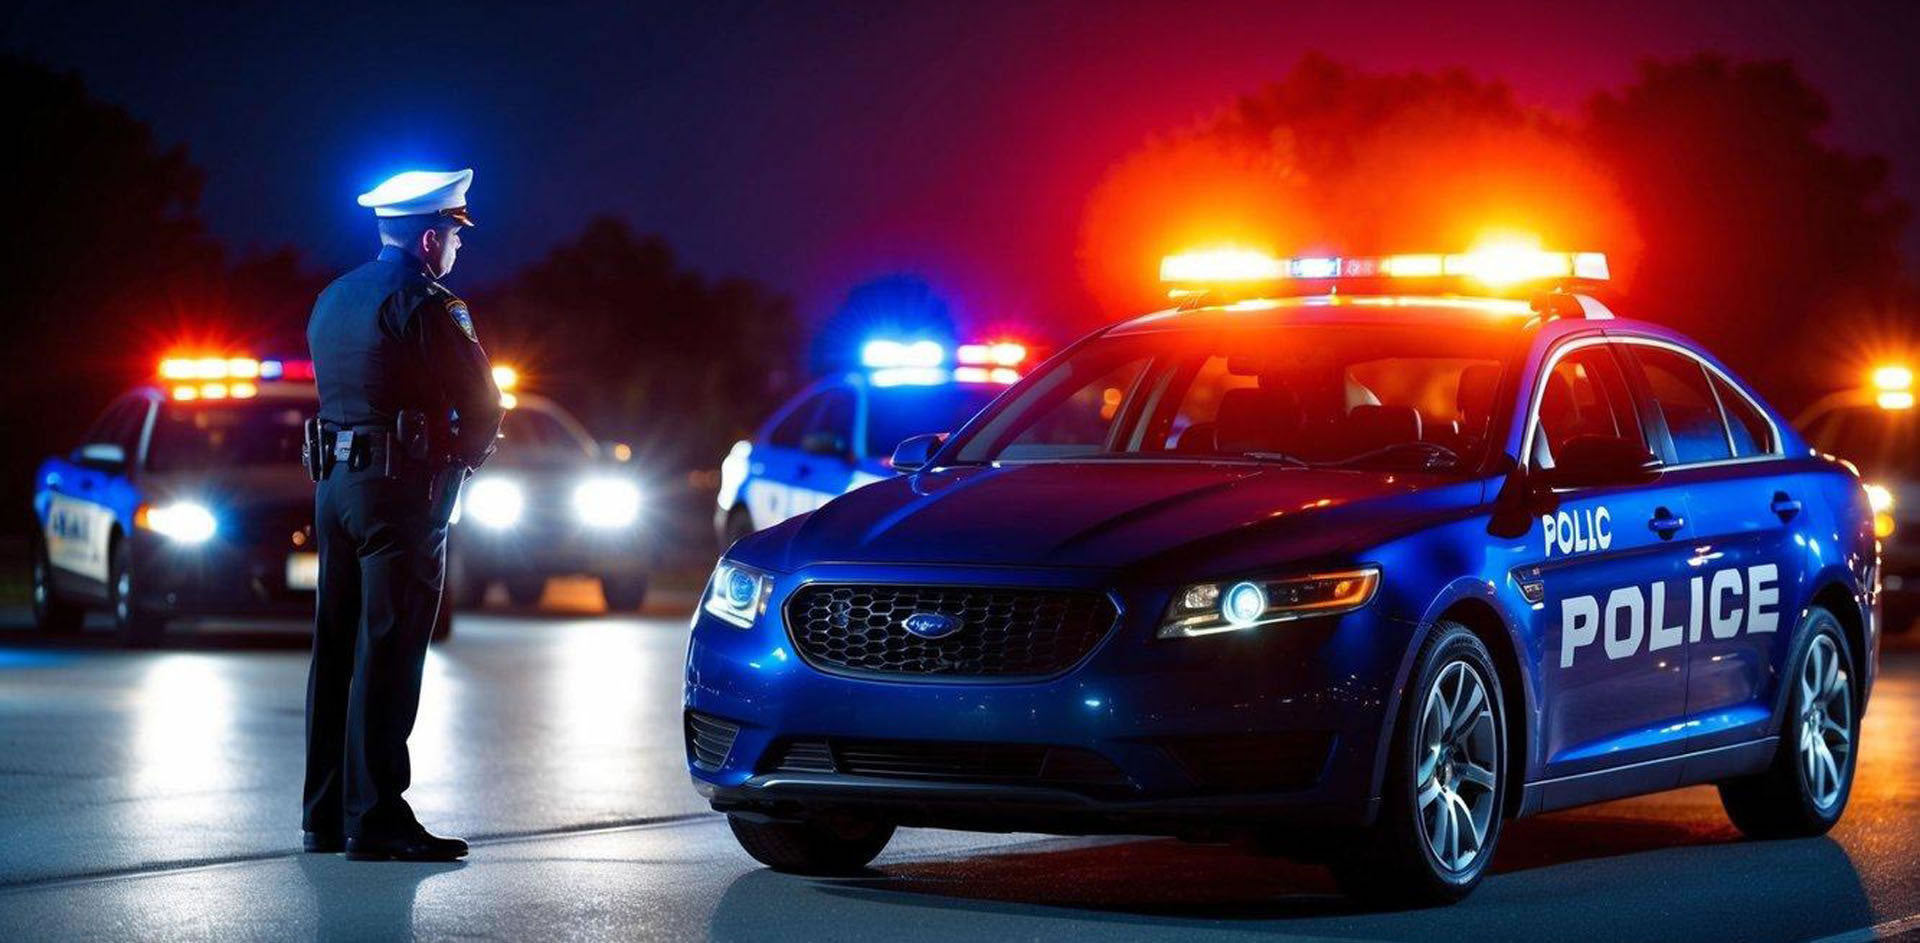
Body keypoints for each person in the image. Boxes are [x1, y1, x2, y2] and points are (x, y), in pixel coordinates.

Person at [302, 168, 503, 861]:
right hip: (399, 491)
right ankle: (378, 818)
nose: (457, 245)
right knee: (388, 650)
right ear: (427, 239)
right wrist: (454, 469)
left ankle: (325, 814)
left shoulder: (333, 297)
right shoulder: (427, 303)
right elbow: (484, 405)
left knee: (335, 646)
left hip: (334, 488)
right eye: (453, 233)